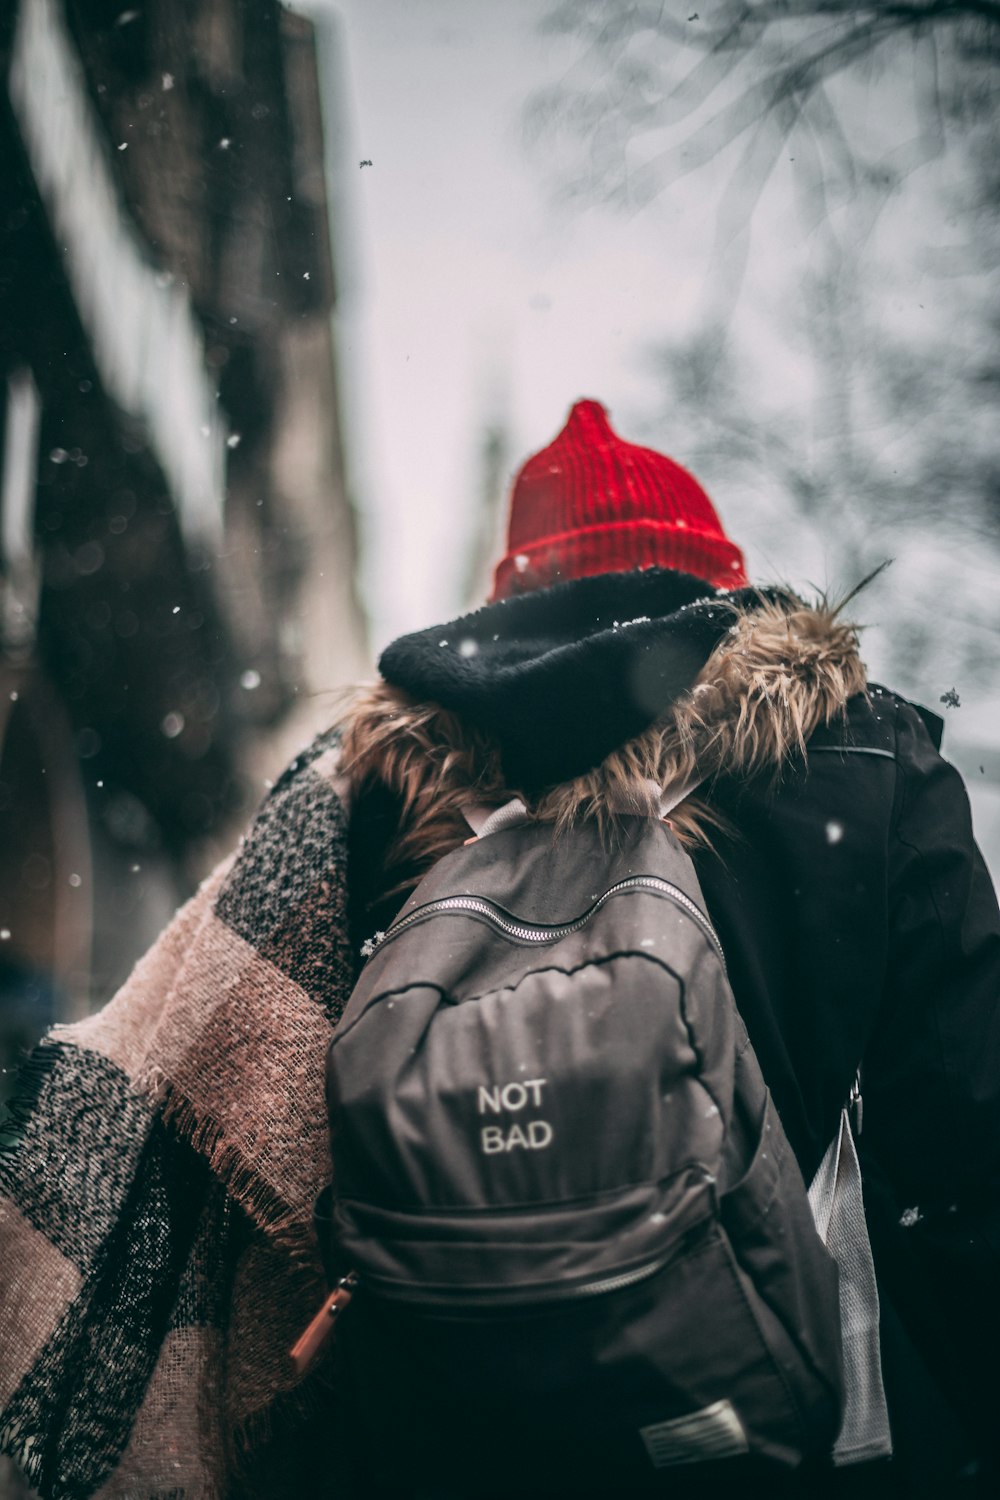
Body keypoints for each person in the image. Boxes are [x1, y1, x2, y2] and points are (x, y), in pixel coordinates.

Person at [0, 399, 997, 1499]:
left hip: (445, 1436)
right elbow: (959, 1156)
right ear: (720, 580)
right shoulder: (864, 761)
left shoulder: (364, 790)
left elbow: (261, 1126)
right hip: (770, 1428)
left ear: (508, 607)